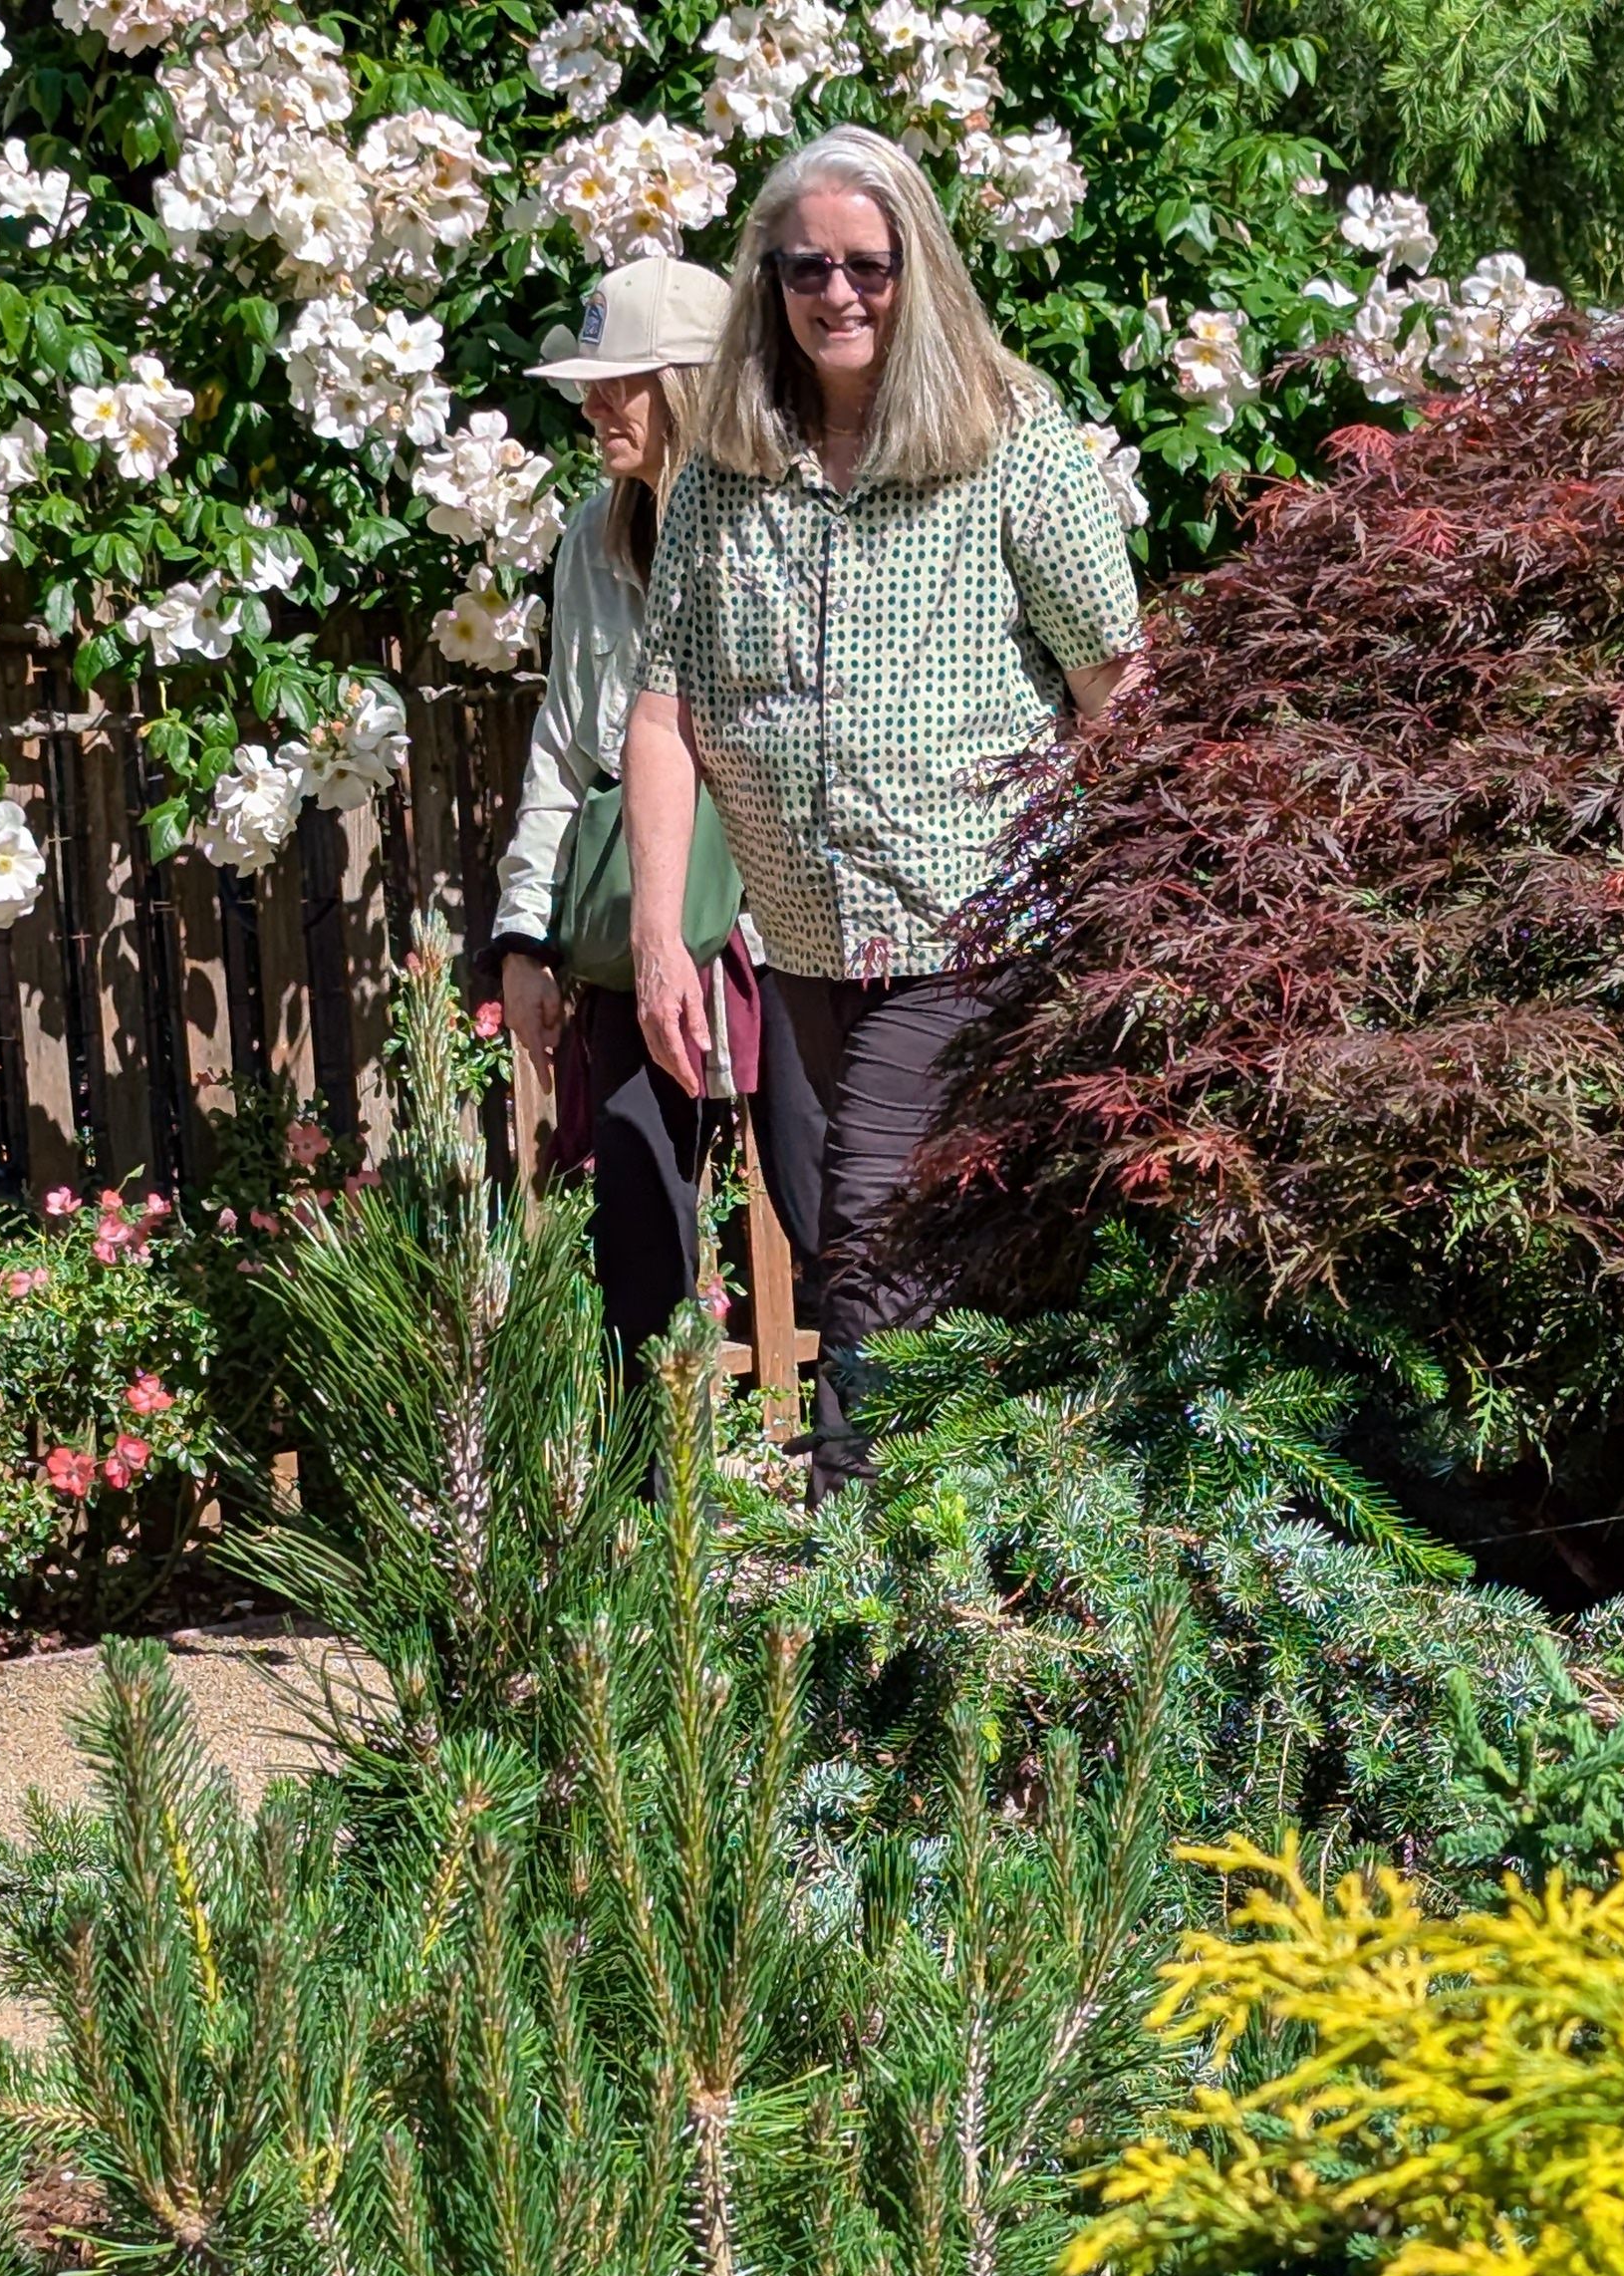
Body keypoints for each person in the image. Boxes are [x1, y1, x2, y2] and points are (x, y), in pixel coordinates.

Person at [621, 124, 1142, 1490]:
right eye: (807, 269)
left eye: (870, 266)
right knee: (844, 1228)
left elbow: (1116, 691)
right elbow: (667, 704)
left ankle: (854, 1591)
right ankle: (1004, 1530)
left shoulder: (1012, 442)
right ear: (769, 283)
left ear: (921, 270)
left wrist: (1134, 916)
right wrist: (661, 936)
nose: (837, 295)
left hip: (976, 924)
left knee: (872, 1241)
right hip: (801, 938)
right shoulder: (725, 475)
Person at [488, 253, 814, 1360]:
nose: (590, 403)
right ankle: (646, 1519)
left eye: (615, 379)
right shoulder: (591, 537)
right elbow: (566, 749)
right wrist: (526, 936)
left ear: (683, 379)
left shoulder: (789, 522)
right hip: (638, 928)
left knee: (833, 1215)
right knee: (634, 1232)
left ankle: (893, 1508)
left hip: (790, 928)